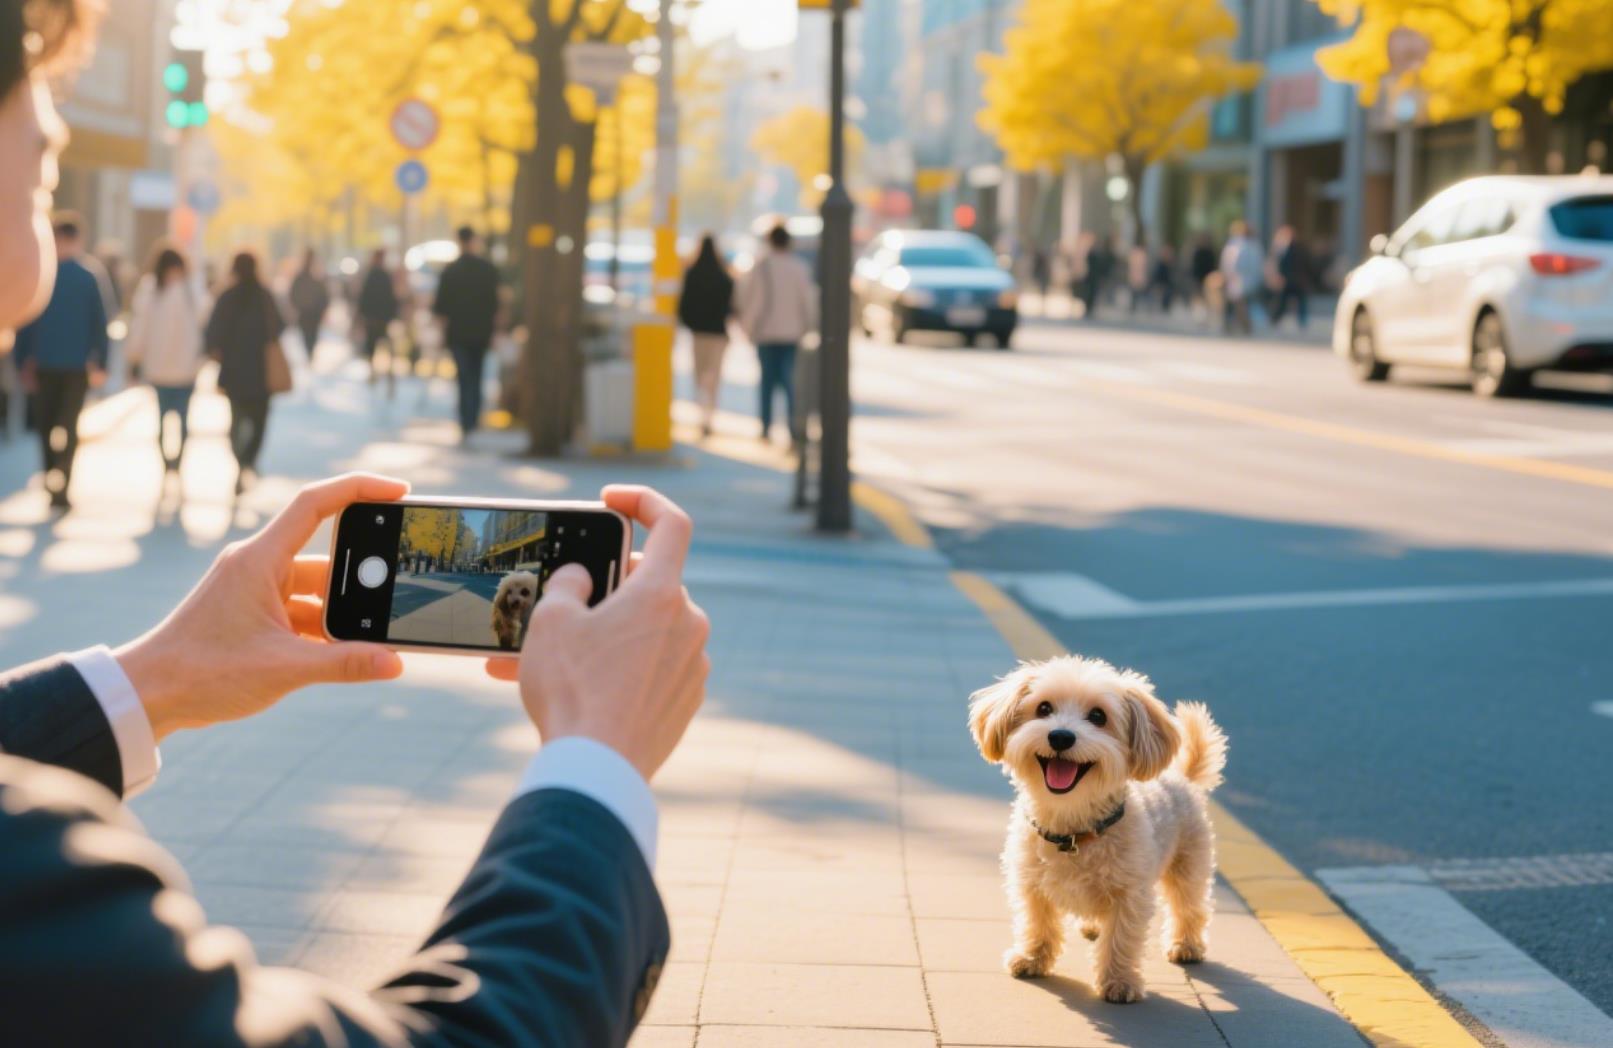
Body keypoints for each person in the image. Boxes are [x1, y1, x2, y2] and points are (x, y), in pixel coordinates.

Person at [2, 14, 711, 1043]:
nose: (54, 126)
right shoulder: (41, 887)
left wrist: (153, 680)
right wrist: (595, 766)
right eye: (30, 76)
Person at [12, 212, 107, 511]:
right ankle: (58, 475)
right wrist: (100, 361)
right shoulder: (68, 274)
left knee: (56, 423)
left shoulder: (73, 274)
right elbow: (99, 322)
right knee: (57, 423)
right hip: (60, 364)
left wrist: (21, 360)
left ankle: (57, 475)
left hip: (60, 364)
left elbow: (98, 321)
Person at [206, 249, 286, 493]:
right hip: (261, 371)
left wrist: (217, 351)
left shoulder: (227, 296)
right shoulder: (265, 296)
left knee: (236, 419)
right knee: (260, 421)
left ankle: (240, 461)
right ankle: (249, 459)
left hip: (234, 371)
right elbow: (280, 326)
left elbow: (212, 332)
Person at [124, 242, 206, 476]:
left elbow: (140, 326)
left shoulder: (181, 288)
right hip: (175, 367)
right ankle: (168, 462)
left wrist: (135, 356)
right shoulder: (166, 289)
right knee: (168, 417)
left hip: (176, 367)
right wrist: (135, 357)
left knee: (177, 417)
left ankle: (175, 461)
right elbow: (140, 326)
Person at [736, 223, 816, 445]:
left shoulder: (761, 266)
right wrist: (807, 327)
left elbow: (751, 299)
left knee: (767, 382)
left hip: (766, 332)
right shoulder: (799, 267)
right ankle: (793, 428)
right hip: (792, 333)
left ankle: (766, 427)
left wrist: (746, 327)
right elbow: (807, 301)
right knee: (791, 382)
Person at [433, 226, 501, 441]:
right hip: (481, 332)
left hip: (458, 333)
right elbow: (496, 304)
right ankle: (473, 418)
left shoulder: (451, 271)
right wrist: (496, 330)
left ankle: (466, 419)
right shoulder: (487, 269)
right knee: (477, 375)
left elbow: (440, 307)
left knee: (463, 376)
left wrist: (442, 334)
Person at [677, 234, 735, 438]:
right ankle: (709, 414)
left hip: (698, 333)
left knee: (699, 374)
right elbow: (731, 306)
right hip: (718, 334)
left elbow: (683, 305)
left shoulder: (692, 274)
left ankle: (701, 413)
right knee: (714, 376)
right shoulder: (723, 276)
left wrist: (690, 323)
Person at [356, 247, 400, 385]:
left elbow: (365, 297)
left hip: (373, 318)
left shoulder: (372, 275)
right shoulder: (383, 275)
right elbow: (391, 298)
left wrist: (363, 314)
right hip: (381, 318)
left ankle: (376, 370)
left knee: (373, 346)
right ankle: (382, 371)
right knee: (381, 345)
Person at [1219, 220, 1264, 337]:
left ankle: (1240, 325)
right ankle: (1238, 325)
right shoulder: (1253, 245)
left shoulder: (1239, 245)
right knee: (1239, 303)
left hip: (1238, 279)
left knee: (1238, 303)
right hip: (1242, 279)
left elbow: (1232, 263)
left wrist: (1229, 275)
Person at [1268, 224, 1314, 331]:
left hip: (1295, 280)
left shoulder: (1297, 249)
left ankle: (1301, 322)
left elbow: (1307, 265)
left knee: (1297, 303)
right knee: (1284, 302)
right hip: (1291, 281)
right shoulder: (1283, 248)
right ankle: (1276, 319)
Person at [289, 247, 331, 359]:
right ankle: (309, 353)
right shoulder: (302, 277)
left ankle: (310, 353)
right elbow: (294, 294)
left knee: (312, 336)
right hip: (306, 312)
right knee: (308, 336)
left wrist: (323, 308)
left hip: (313, 312)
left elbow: (324, 295)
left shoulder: (317, 275)